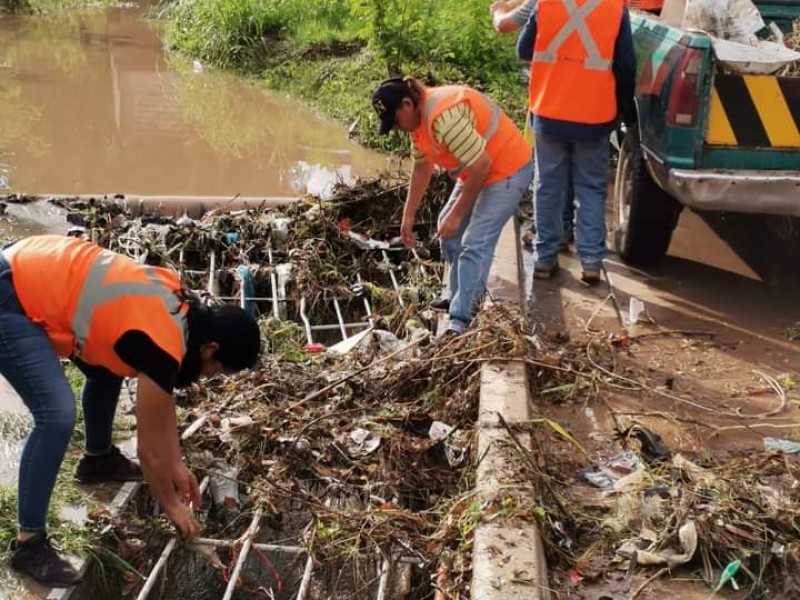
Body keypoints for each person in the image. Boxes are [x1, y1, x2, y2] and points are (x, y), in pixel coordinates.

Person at [0, 234, 261, 587]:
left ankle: (98, 459)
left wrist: (176, 465)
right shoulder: (162, 342)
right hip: (10, 293)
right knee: (56, 414)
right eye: (218, 369)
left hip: (34, 266)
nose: (210, 376)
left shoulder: (180, 309)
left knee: (107, 369)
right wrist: (171, 504)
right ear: (211, 348)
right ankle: (29, 544)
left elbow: (161, 404)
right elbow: (149, 449)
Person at [371, 76, 533, 334]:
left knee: (475, 241)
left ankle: (460, 321)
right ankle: (458, 296)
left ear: (407, 104)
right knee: (448, 232)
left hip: (507, 170)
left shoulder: (443, 117)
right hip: (477, 169)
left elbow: (482, 166)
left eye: (396, 120)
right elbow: (422, 167)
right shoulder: (417, 125)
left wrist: (457, 215)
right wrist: (408, 216)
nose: (398, 128)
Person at [517, 0, 635, 284]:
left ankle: (544, 259)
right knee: (591, 189)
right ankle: (591, 263)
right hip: (594, 116)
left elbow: (523, 50)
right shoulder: (615, 7)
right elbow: (627, 65)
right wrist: (621, 106)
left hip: (549, 111)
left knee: (547, 186)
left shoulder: (545, 3)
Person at [490, 0, 577, 252]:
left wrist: (498, 10)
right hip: (590, 96)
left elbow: (506, 27)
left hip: (551, 95)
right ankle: (565, 229)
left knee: (548, 173)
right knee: (574, 167)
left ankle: (549, 235)